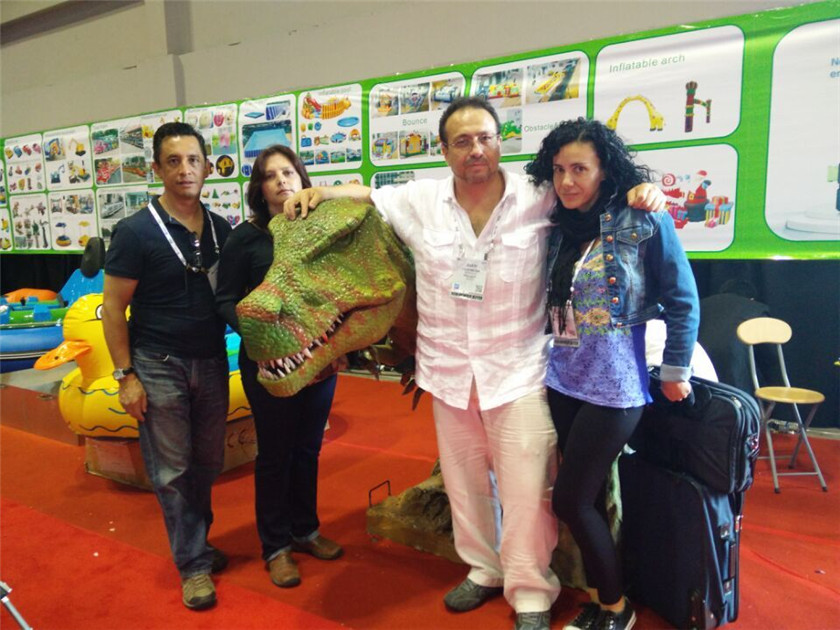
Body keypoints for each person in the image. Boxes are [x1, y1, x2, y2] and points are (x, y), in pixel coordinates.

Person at [282, 98, 663, 630]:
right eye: (462, 141)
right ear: (444, 150)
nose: (475, 150)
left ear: (499, 141)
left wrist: (644, 191)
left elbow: (593, 186)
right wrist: (320, 191)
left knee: (527, 492)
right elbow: (369, 193)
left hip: (519, 372)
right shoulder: (421, 199)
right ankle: (484, 568)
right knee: (465, 486)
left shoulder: (539, 194)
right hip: (447, 372)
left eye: (485, 138)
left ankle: (530, 591)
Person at [525, 117, 699, 630]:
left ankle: (617, 609)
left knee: (570, 500)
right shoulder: (559, 227)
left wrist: (675, 369)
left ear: (606, 171)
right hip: (563, 380)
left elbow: (683, 299)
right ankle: (604, 596)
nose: (567, 181)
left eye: (580, 169)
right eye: (559, 170)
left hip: (615, 389)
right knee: (593, 499)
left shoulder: (642, 220)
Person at [101, 122, 232, 611]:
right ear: (157, 168)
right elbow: (113, 308)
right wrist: (125, 377)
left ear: (207, 166)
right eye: (173, 161)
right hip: (157, 364)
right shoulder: (135, 231)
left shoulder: (221, 228)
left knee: (209, 462)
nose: (185, 170)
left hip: (212, 360)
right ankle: (193, 566)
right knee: (173, 470)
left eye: (193, 160)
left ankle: (198, 542)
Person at [215, 145, 344, 589]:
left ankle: (305, 530)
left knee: (308, 448)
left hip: (319, 360)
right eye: (270, 175)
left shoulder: (319, 228)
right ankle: (276, 547)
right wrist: (259, 336)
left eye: (288, 172)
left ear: (302, 178)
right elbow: (224, 299)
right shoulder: (245, 238)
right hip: (269, 364)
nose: (281, 181)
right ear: (260, 187)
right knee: (275, 454)